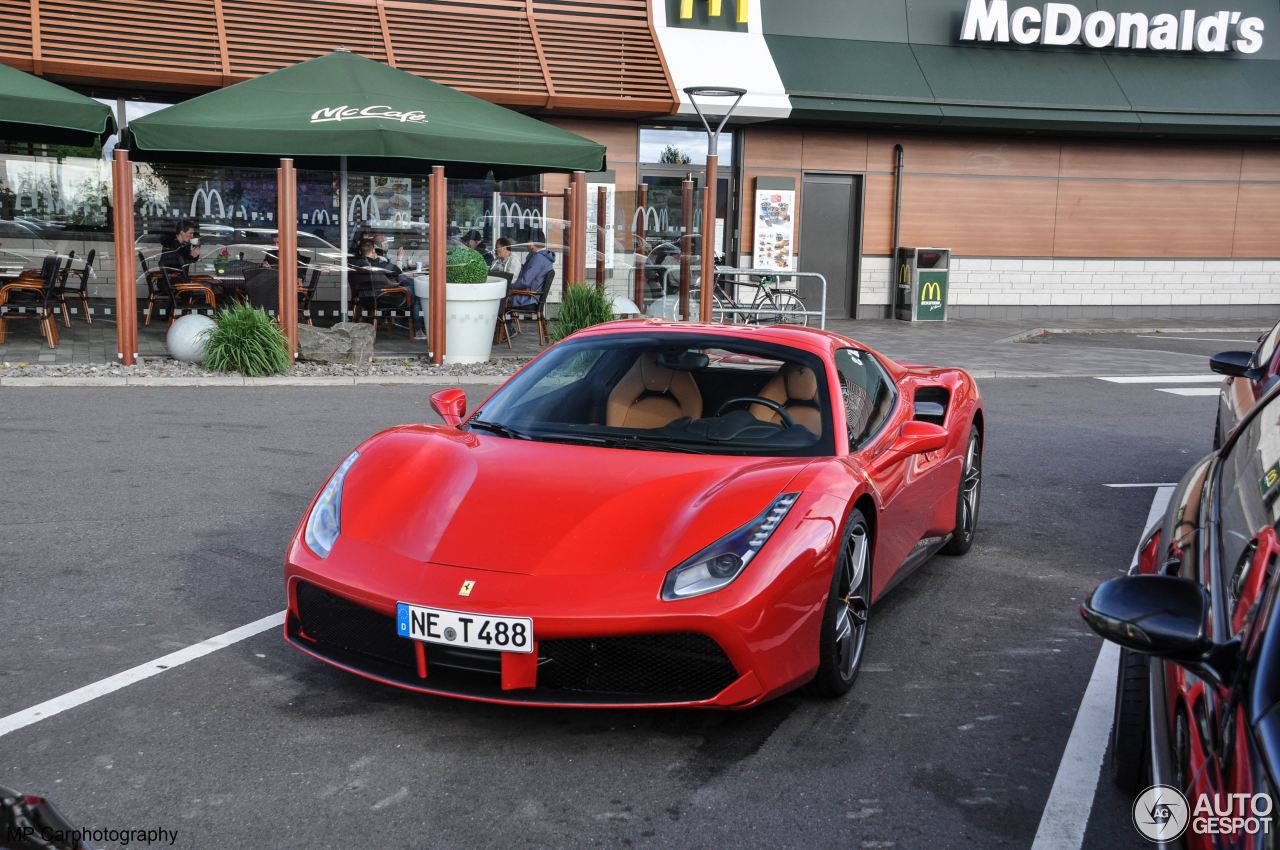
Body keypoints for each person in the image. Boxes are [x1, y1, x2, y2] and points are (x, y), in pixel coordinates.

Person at [351, 238, 425, 339]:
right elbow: (398, 271)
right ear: (373, 250)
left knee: (410, 286)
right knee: (416, 291)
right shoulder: (379, 263)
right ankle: (418, 329)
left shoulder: (354, 264)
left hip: (363, 299)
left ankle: (418, 328)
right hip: (382, 298)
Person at [508, 236, 555, 309]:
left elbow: (525, 282)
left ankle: (506, 320)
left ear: (532, 243)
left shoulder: (538, 258)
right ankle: (507, 320)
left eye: (528, 241)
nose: (526, 244)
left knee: (499, 299)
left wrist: (509, 286)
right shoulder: (544, 256)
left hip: (527, 299)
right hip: (532, 297)